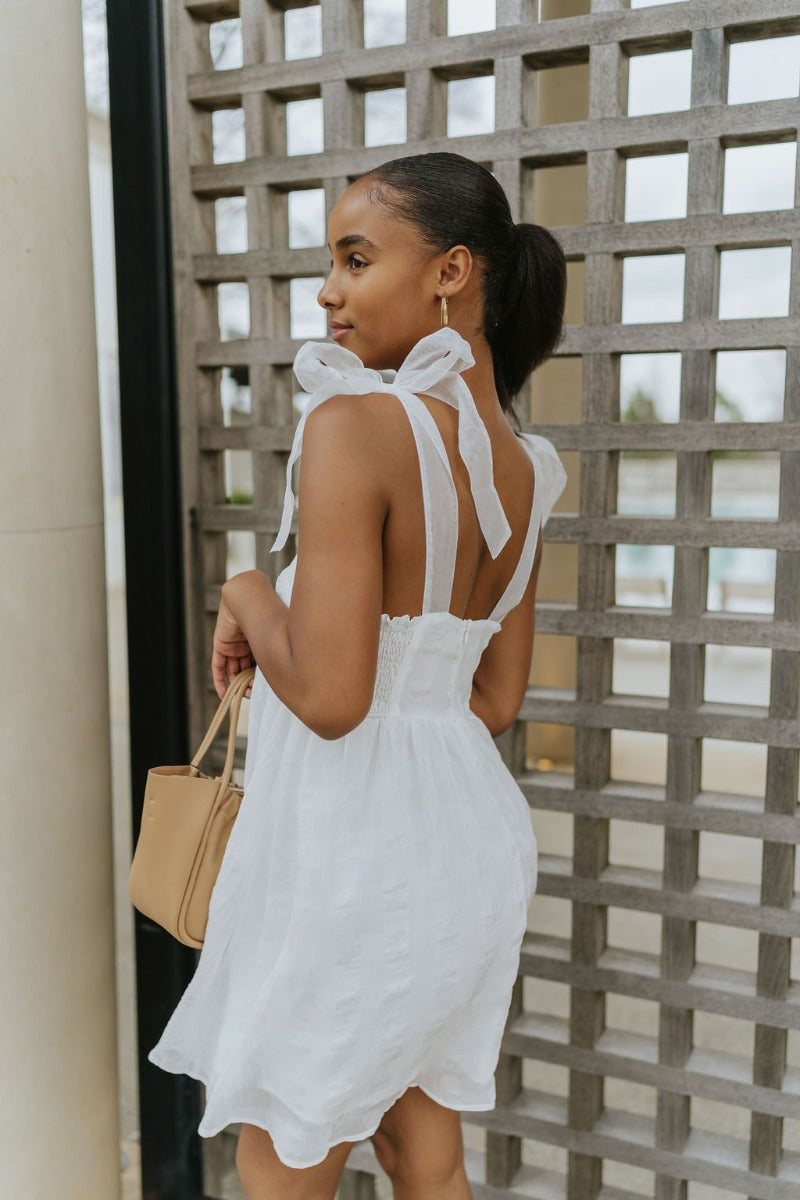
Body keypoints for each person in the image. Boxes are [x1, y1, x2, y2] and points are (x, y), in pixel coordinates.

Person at [149, 150, 567, 1200]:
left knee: (286, 1155)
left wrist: (247, 590)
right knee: (419, 1147)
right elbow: (495, 702)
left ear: (450, 270)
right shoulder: (526, 465)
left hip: (346, 855)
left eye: (354, 257)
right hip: (465, 844)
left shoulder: (351, 429)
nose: (329, 292)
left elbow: (333, 702)